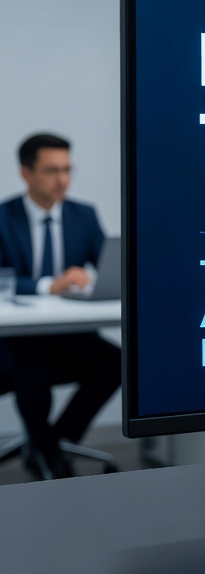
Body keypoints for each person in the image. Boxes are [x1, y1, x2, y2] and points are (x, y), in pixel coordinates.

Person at [0, 133, 121, 479]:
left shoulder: (83, 215)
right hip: (15, 340)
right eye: (51, 170)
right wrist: (47, 286)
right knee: (32, 369)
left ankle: (52, 444)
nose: (62, 180)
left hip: (70, 335)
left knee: (116, 363)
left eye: (67, 169)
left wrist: (95, 281)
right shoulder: (4, 217)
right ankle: (49, 458)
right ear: (26, 173)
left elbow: (110, 265)